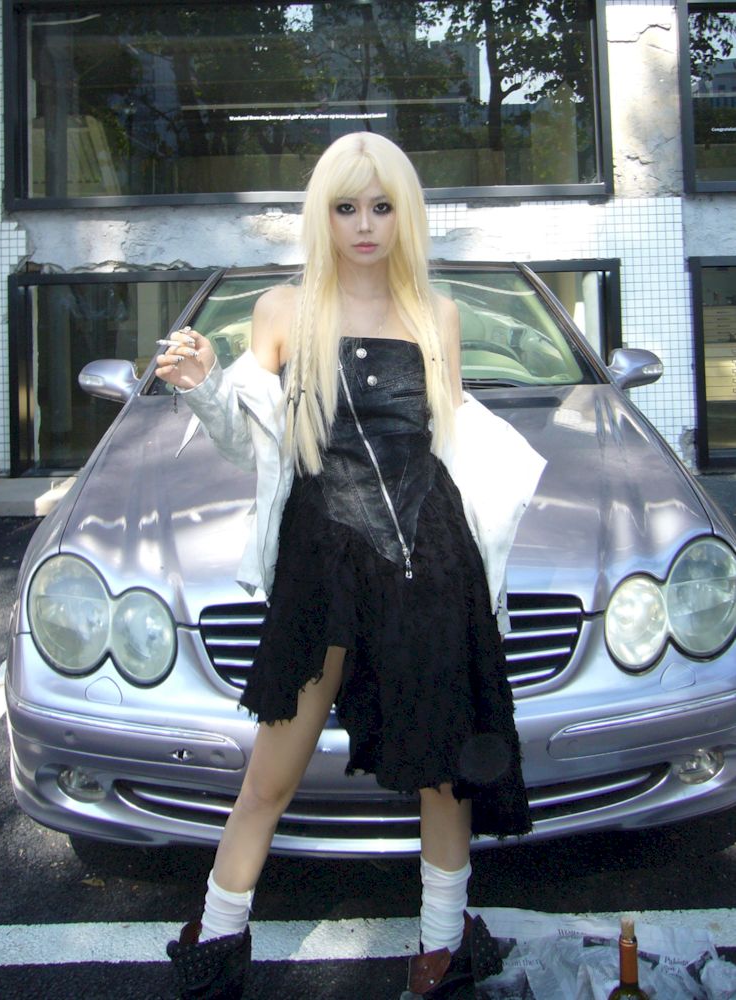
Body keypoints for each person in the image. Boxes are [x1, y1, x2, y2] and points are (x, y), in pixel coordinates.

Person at [156, 131, 546, 1000]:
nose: (364, 225)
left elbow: (452, 442)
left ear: (406, 215)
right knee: (272, 771)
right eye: (345, 207)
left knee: (445, 767)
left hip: (428, 559)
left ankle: (439, 952)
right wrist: (204, 385)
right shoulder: (284, 311)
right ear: (320, 215)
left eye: (380, 207)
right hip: (322, 560)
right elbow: (246, 442)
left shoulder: (436, 313)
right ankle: (217, 941)